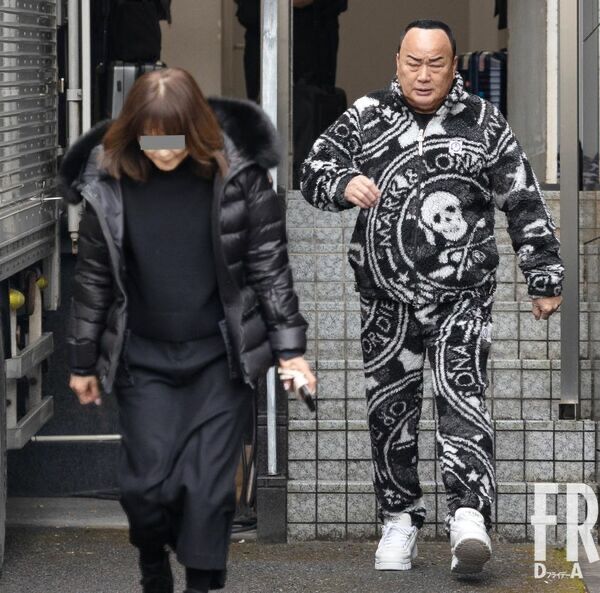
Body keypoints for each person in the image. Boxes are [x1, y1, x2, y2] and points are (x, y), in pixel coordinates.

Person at [300, 20, 564, 576]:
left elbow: (521, 197)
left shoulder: (483, 122)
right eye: (413, 62)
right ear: (397, 62)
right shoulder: (367, 115)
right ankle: (399, 519)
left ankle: (469, 518)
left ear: (453, 66)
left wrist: (543, 274)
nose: (423, 74)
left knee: (462, 398)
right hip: (385, 301)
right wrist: (342, 183)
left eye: (435, 63)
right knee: (389, 411)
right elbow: (313, 169)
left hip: (463, 297)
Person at [60, 67, 316, 593]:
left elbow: (270, 269)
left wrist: (290, 352)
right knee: (145, 488)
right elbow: (93, 279)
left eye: (174, 137)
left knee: (208, 492)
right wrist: (82, 361)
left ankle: (200, 583)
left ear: (196, 128)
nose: (163, 151)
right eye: (151, 138)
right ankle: (152, 559)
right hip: (143, 361)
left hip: (218, 362)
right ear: (134, 131)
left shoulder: (239, 177)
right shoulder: (108, 185)